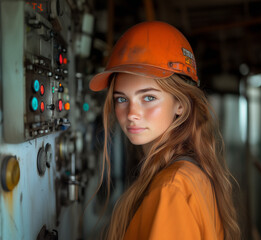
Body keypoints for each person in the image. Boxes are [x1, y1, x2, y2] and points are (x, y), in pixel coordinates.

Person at [89, 21, 240, 240]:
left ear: (180, 104)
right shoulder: (187, 172)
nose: (132, 113)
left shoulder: (172, 188)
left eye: (148, 97)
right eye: (122, 99)